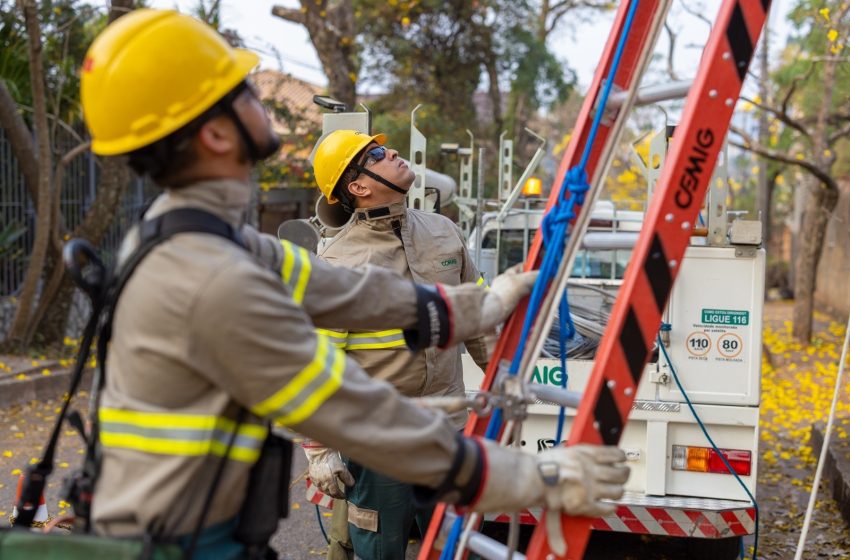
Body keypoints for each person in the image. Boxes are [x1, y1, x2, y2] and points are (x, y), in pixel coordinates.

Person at [80, 9, 630, 560]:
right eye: (242, 90)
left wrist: (478, 306)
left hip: (201, 533)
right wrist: (532, 478)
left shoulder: (209, 239)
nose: (260, 97)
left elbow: (347, 290)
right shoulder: (210, 278)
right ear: (217, 132)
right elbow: (353, 410)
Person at [306, 130, 490, 559]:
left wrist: (508, 377)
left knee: (450, 546)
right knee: (380, 548)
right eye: (375, 154)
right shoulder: (338, 264)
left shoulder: (444, 232)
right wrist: (319, 450)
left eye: (383, 148)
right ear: (358, 187)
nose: (391, 151)